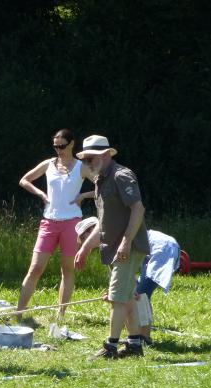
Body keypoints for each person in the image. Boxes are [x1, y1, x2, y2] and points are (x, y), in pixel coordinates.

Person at [74, 135, 149, 359]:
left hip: (128, 246)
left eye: (91, 158)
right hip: (114, 247)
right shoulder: (100, 180)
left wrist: (126, 242)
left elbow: (138, 209)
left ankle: (111, 347)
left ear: (106, 155)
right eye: (85, 159)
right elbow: (103, 222)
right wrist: (85, 248)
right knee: (125, 297)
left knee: (116, 298)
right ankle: (135, 345)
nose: (88, 163)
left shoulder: (121, 176)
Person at [16, 129, 95, 323]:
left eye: (61, 145)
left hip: (72, 223)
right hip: (49, 221)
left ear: (71, 144)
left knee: (67, 269)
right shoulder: (48, 164)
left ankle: (61, 314)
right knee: (35, 268)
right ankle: (18, 313)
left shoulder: (81, 167)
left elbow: (104, 185)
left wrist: (84, 196)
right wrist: (41, 194)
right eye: (55, 146)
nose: (58, 149)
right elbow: (24, 180)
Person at [76, 217, 179, 345]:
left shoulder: (110, 238)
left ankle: (144, 338)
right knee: (139, 293)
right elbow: (122, 278)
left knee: (142, 294)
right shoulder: (107, 243)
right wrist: (116, 293)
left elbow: (124, 282)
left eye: (84, 237)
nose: (86, 242)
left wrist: (120, 293)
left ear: (91, 230)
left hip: (161, 247)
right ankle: (142, 337)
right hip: (159, 247)